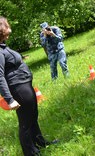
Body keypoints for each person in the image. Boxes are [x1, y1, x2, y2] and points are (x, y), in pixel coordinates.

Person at [0, 17, 58, 155]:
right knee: (25, 122)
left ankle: (39, 142)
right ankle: (30, 152)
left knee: (32, 116)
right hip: (18, 88)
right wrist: (9, 100)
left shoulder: (3, 46)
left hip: (23, 84)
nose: (10, 29)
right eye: (7, 26)